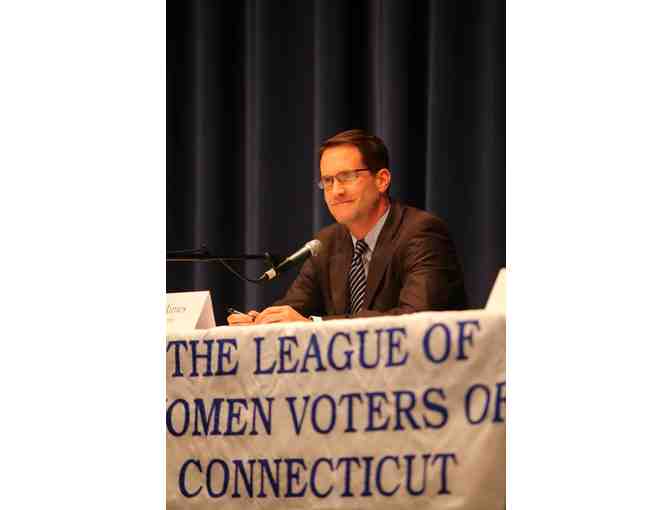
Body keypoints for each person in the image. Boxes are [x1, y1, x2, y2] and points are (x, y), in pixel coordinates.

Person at [227, 129, 467, 325]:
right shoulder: (327, 242)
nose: (336, 191)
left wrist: (314, 326)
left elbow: (416, 318)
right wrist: (262, 322)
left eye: (348, 177)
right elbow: (295, 307)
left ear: (382, 180)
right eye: (328, 181)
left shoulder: (421, 232)